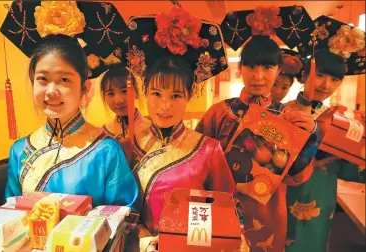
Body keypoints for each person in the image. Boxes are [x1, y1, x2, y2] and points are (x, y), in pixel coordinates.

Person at [196, 6, 320, 251]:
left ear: (278, 70)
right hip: (220, 209)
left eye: (267, 67)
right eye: (251, 67)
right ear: (240, 68)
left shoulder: (288, 118)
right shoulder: (220, 112)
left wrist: (310, 138)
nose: (259, 76)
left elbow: (298, 178)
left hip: (268, 216)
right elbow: (195, 164)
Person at [1, 1, 139, 209]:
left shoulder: (105, 150)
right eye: (42, 79)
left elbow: (124, 215)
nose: (51, 91)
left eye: (64, 80)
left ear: (84, 88)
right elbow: (10, 213)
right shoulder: (20, 151)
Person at [125, 9, 236, 251]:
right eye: (156, 94)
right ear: (144, 93)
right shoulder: (128, 144)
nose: (165, 106)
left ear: (190, 95)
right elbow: (119, 204)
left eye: (175, 95)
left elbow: (225, 209)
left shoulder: (209, 149)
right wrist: (143, 235)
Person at [284, 16, 366, 252]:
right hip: (282, 199)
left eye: (334, 80)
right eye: (320, 75)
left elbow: (351, 169)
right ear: (306, 74)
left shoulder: (340, 123)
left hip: (321, 200)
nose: (326, 85)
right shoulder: (280, 112)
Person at [99, 64, 150, 167]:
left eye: (124, 91)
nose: (118, 100)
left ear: (135, 91)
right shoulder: (101, 134)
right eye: (111, 93)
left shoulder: (152, 129)